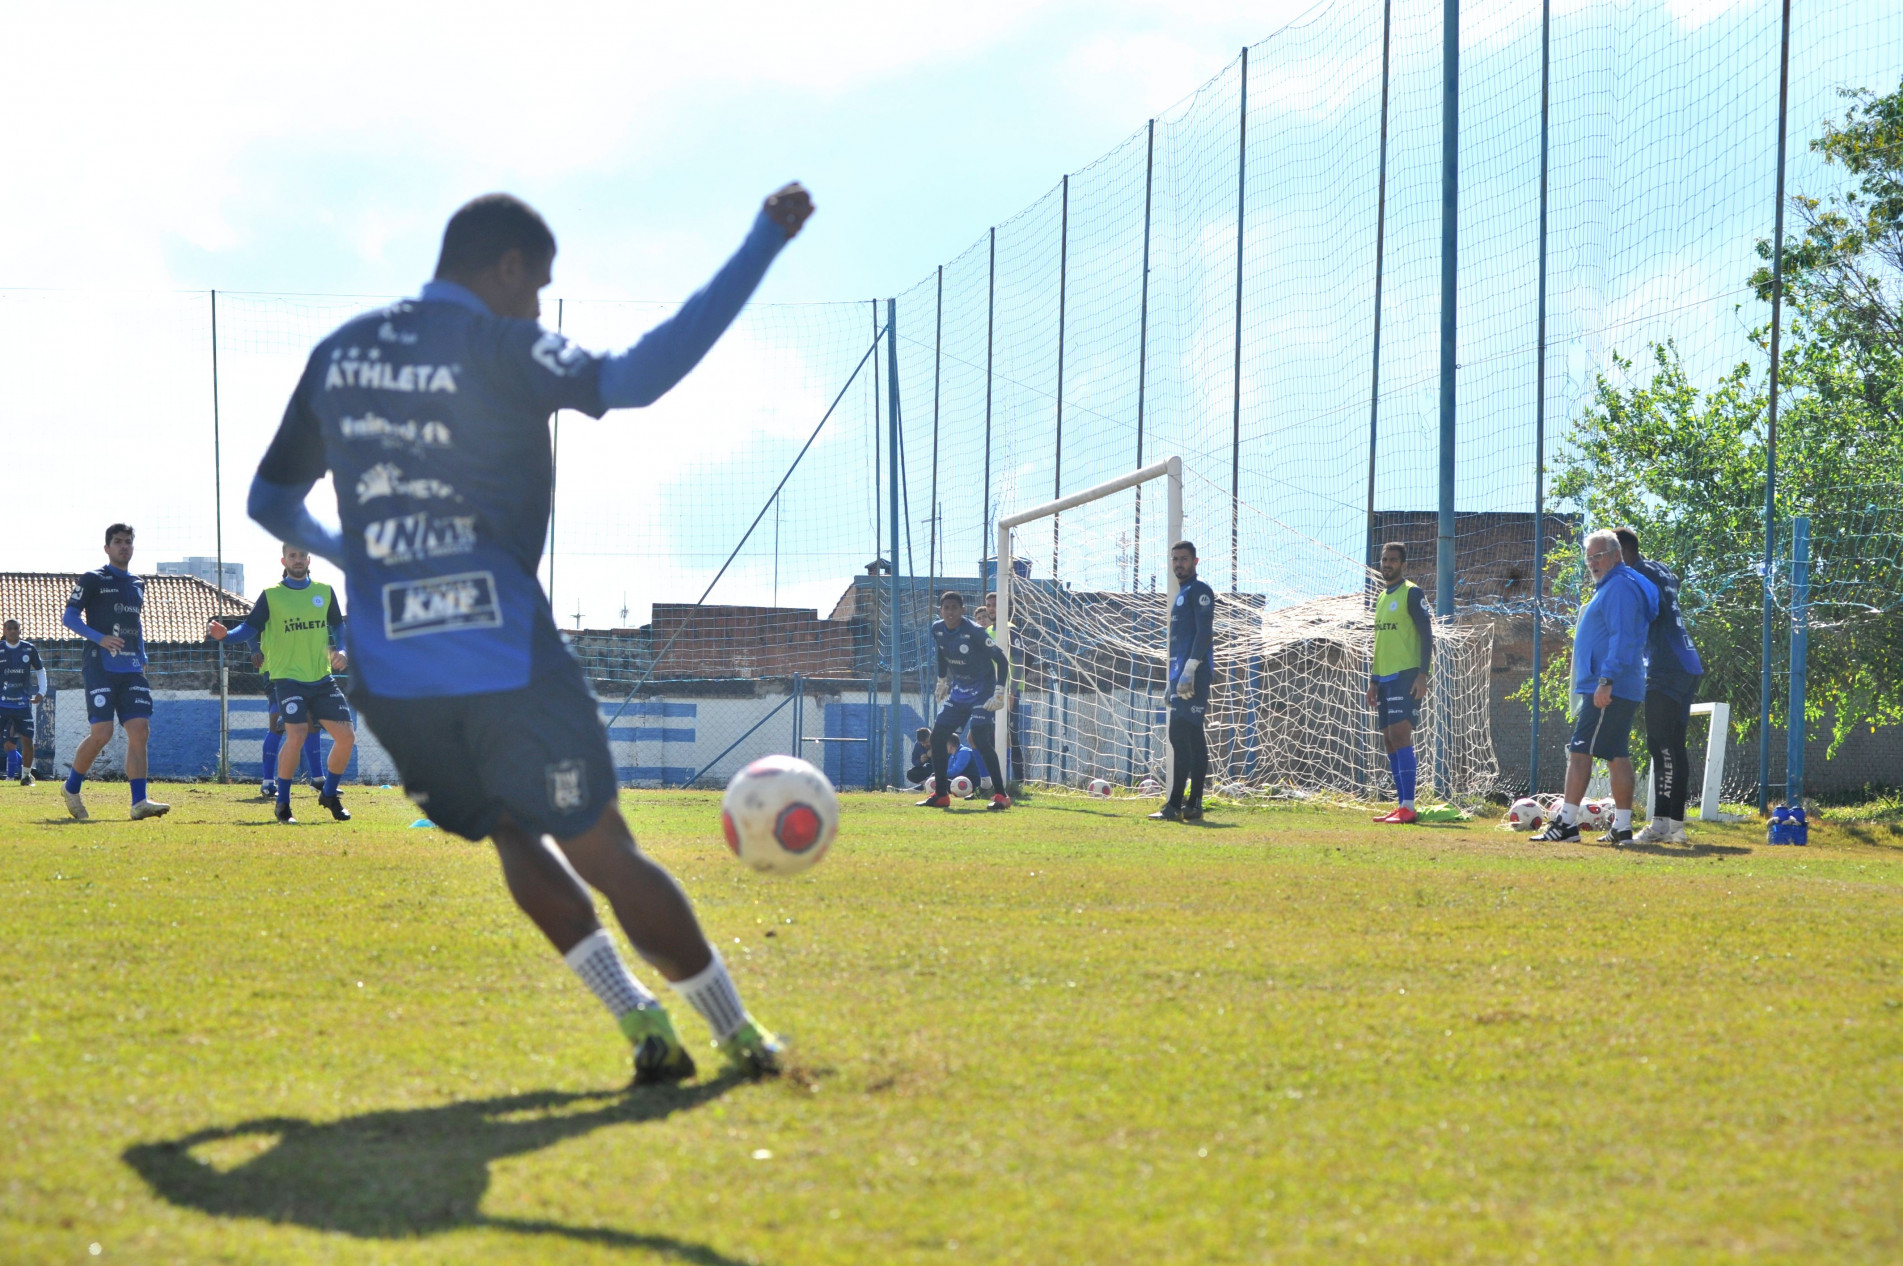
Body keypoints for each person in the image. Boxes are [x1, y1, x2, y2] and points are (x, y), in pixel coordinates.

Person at [248, 187, 813, 1083]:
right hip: (499, 648)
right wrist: (761, 243)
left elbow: (268, 502)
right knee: (600, 844)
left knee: (513, 833)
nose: (539, 306)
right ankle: (739, 1036)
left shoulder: (340, 354)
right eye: (539, 287)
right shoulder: (500, 347)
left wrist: (355, 558)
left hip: (393, 671)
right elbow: (638, 377)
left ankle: (640, 1026)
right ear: (506, 268)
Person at [208, 544, 356, 824]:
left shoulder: (324, 592)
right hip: (287, 679)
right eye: (292, 556)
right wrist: (226, 636)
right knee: (297, 734)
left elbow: (339, 626)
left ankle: (328, 793)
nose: (297, 560)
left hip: (321, 678)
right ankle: (283, 804)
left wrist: (343, 651)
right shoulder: (272, 596)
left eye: (302, 555)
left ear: (309, 558)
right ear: (283, 560)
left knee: (347, 737)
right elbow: (249, 629)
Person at [1535, 528, 1658, 845]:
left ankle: (1566, 825)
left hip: (1609, 686)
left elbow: (1623, 638)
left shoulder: (1619, 587)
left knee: (1580, 751)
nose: (1593, 562)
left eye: (1599, 555)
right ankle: (1623, 827)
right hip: (1616, 684)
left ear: (1617, 556)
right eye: (1589, 557)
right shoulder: (1616, 585)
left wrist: (1606, 680)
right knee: (1617, 754)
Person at [61, 524, 170, 821]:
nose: (124, 546)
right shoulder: (94, 579)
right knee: (103, 733)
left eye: (128, 542)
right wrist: (99, 637)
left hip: (132, 667)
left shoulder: (137, 583)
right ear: (107, 548)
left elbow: (135, 622)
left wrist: (143, 653)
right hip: (100, 664)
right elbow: (69, 617)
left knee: (139, 730)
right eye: (118, 542)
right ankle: (71, 788)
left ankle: (139, 802)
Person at [1616, 528, 1705, 845]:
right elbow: (1674, 581)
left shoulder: (1635, 577)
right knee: (1674, 747)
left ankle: (1659, 825)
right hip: (1687, 660)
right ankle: (1674, 827)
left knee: (1660, 745)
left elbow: (1641, 617)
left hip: (1666, 665)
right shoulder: (1658, 568)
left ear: (1622, 552)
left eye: (1609, 556)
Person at [916, 590, 1011, 810]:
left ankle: (1001, 796)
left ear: (963, 610)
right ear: (940, 610)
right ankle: (941, 795)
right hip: (959, 691)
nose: (950, 612)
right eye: (946, 608)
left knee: (979, 736)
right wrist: (942, 680)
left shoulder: (975, 632)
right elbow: (941, 651)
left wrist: (999, 692)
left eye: (954, 608)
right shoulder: (937, 628)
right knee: (938, 736)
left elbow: (1002, 660)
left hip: (983, 690)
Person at [1366, 541, 1434, 824]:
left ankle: (1409, 805)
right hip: (1384, 679)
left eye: (1393, 560)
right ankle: (1400, 804)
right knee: (1389, 741)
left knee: (1401, 736)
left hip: (1407, 675)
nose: (1387, 564)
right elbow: (1380, 643)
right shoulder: (1381, 598)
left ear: (1403, 564)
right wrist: (1373, 681)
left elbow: (1427, 633)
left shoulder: (1411, 593)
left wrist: (1423, 674)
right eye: (1384, 560)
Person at [1152, 541, 1214, 823]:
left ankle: (1175, 804)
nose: (1179, 564)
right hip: (1181, 676)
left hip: (1195, 674)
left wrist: (1190, 668)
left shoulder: (1200, 590)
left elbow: (1204, 633)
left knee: (1180, 735)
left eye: (1184, 559)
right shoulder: (1182, 593)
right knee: (1191, 737)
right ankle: (1193, 804)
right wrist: (1172, 679)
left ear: (1195, 561)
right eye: (1175, 559)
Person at [1, 618, 46, 786]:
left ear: (20, 630)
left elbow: (40, 670)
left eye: (15, 628)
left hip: (22, 704)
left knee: (27, 740)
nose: (12, 631)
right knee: (7, 744)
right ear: (4, 631)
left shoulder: (29, 649)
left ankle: (26, 777)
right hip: (2, 704)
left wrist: (41, 692)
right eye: (9, 628)